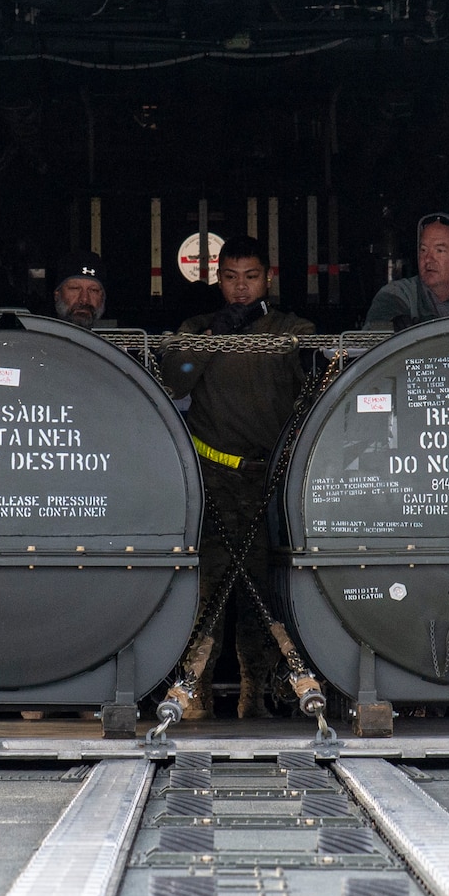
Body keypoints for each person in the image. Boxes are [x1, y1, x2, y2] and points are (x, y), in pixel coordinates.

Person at [160, 236, 313, 720]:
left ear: (266, 277)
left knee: (264, 590)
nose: (240, 288)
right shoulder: (199, 327)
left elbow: (320, 374)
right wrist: (209, 341)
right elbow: (174, 377)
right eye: (230, 278)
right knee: (205, 588)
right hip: (214, 476)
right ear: (218, 280)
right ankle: (194, 694)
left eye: (250, 277)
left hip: (273, 481)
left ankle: (257, 694)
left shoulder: (291, 329)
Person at [51, 257, 108, 325]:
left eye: (93, 290)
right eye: (75, 288)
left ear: (102, 297)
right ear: (57, 295)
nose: (84, 299)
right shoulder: (39, 333)